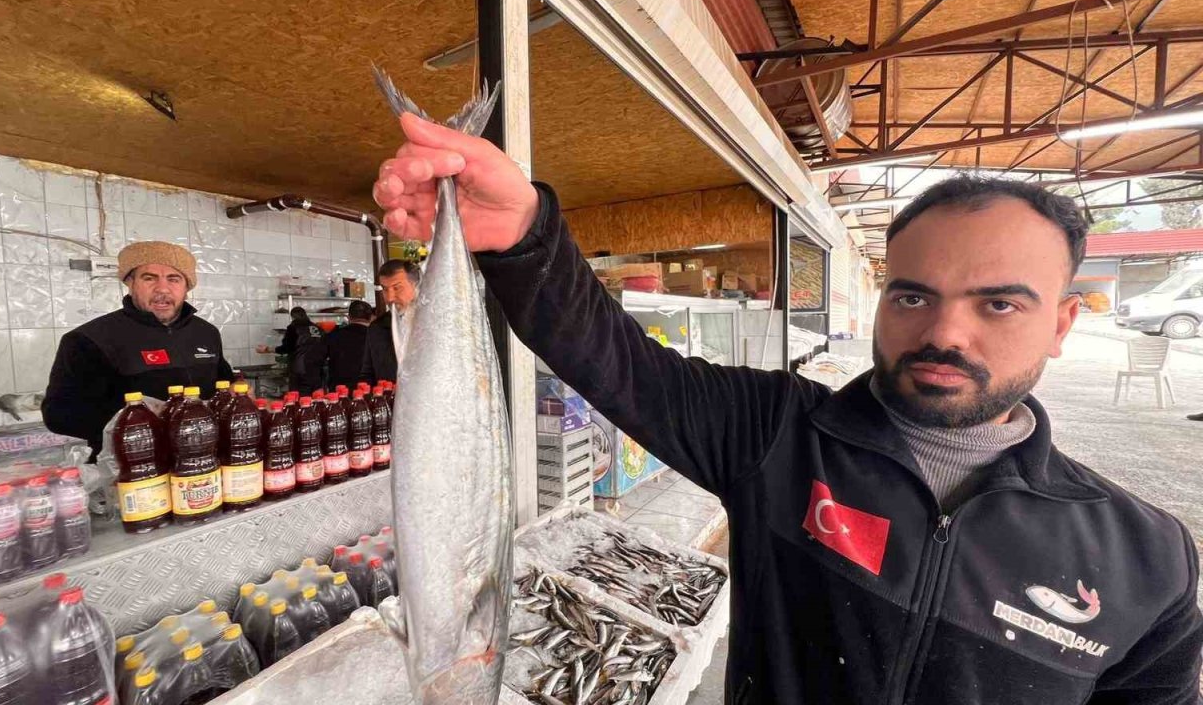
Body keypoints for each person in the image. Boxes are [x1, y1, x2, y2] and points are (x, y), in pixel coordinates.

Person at [372, 114, 1203, 703]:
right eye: (914, 296)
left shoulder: (1148, 560)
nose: (944, 332)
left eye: (999, 305)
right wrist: (523, 232)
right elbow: (615, 360)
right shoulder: (776, 436)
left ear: (1062, 323)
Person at [44, 241, 232, 457]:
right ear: (130, 283)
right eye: (149, 278)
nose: (162, 289)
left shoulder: (206, 332)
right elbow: (58, 416)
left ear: (186, 288)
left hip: (203, 457)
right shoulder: (88, 339)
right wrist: (141, 423)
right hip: (130, 466)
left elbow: (223, 385)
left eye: (174, 279)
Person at [359, 259, 419, 384]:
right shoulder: (377, 328)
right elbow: (367, 374)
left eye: (397, 288)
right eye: (385, 289)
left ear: (416, 286)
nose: (390, 297)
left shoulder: (434, 323)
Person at [263, 307, 327, 396]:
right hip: (317, 372)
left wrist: (267, 349)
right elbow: (325, 348)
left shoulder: (293, 328)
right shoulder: (318, 329)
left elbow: (286, 348)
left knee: (299, 400)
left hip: (300, 372)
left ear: (292, 317)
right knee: (317, 399)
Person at [326, 300, 374, 389]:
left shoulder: (334, 335)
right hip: (369, 390)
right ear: (371, 318)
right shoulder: (377, 337)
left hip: (339, 391)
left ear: (348, 317)